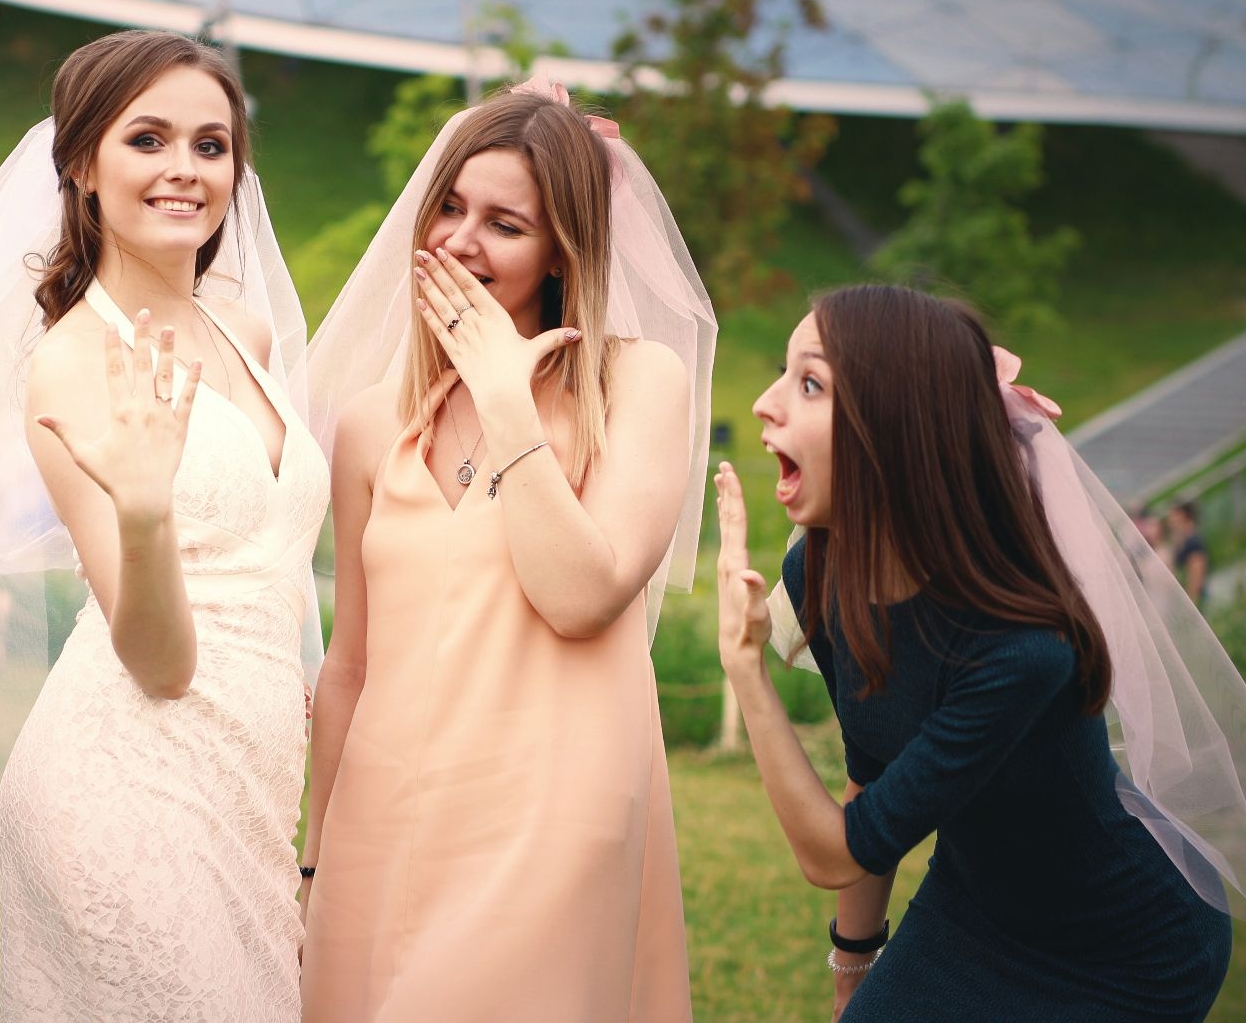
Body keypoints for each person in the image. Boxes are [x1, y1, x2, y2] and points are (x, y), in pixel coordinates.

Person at [0, 30, 323, 1021]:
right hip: (126, 780)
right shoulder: (74, 364)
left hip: (250, 780)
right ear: (82, 163)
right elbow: (157, 662)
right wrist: (148, 510)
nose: (184, 170)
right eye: (148, 139)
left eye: (211, 146)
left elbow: (271, 561)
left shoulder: (243, 331)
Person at [297, 80, 714, 1021]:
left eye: (504, 224)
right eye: (447, 206)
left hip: (548, 820)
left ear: (564, 249)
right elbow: (350, 665)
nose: (458, 241)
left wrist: (503, 393)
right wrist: (317, 857)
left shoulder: (641, 384)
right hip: (382, 816)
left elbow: (585, 593)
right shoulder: (372, 425)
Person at [716, 285, 1237, 1022]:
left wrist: (746, 666)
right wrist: (854, 966)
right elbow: (870, 782)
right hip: (973, 911)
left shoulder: (1022, 650)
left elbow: (836, 852)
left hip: (1127, 951)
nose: (766, 404)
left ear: (898, 431)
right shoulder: (819, 573)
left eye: (809, 383)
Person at [1167, 501, 1209, 609]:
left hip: (1194, 601)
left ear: (1183, 515)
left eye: (1173, 515)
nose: (1170, 520)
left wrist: (1191, 604)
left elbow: (1197, 575)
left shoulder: (1193, 543)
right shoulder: (1183, 541)